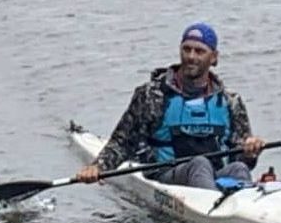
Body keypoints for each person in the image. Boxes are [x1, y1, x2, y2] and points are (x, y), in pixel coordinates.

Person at [75, 22, 266, 190]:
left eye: (199, 51)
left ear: (214, 58)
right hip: (167, 175)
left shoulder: (230, 102)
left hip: (215, 175)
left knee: (239, 169)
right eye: (187, 49)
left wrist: (250, 152)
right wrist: (98, 167)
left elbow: (243, 161)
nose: (191, 56)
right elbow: (122, 143)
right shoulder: (151, 96)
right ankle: (214, 211)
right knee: (199, 164)